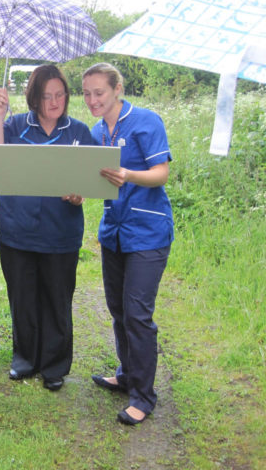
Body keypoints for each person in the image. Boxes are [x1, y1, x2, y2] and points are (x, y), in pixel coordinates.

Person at [0, 64, 95, 391]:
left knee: (57, 300)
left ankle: (54, 365)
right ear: (34, 97)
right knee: (23, 298)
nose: (54, 102)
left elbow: (88, 180)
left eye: (60, 95)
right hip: (16, 231)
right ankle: (25, 359)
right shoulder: (16, 125)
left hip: (60, 234)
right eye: (47, 96)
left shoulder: (79, 132)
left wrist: (79, 196)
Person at [82, 62, 174, 425]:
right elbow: (94, 180)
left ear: (117, 88)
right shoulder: (95, 131)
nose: (92, 100)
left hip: (147, 233)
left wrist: (128, 175)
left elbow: (162, 173)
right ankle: (126, 374)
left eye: (99, 92)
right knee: (119, 309)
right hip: (113, 233)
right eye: (87, 93)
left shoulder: (146, 121)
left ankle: (144, 396)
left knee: (138, 314)